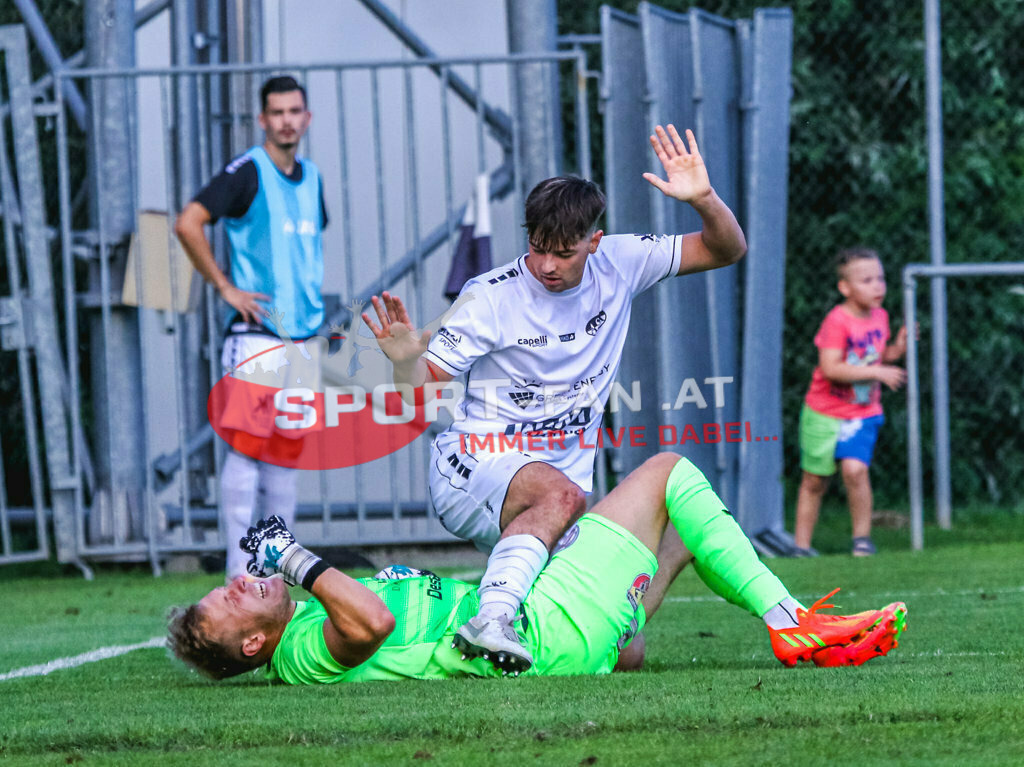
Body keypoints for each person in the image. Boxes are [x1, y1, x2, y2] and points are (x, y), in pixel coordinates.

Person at [361, 125, 747, 673]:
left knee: (624, 652)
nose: (546, 265)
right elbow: (416, 392)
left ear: (595, 241)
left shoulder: (622, 262)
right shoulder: (488, 298)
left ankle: (469, 606)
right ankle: (491, 619)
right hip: (471, 466)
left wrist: (703, 199)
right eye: (538, 248)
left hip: (558, 495)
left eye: (564, 253)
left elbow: (727, 249)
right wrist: (403, 359)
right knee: (562, 495)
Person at [166, 452, 908, 683]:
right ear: (254, 643)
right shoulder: (299, 652)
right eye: (229, 601)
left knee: (679, 537)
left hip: (555, 634)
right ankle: (791, 621)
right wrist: (293, 557)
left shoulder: (302, 626)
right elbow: (374, 622)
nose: (235, 582)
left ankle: (619, 633)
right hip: (541, 631)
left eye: (223, 585)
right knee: (669, 472)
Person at [175, 75, 329, 580]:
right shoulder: (247, 171)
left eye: (294, 111)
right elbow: (188, 222)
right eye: (277, 112)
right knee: (247, 448)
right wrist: (225, 288)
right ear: (262, 119)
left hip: (302, 337)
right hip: (256, 336)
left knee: (285, 455)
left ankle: (277, 577)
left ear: (307, 118)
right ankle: (239, 575)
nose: (287, 120)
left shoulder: (313, 178)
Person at [792, 247, 908, 557]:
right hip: (824, 412)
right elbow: (831, 368)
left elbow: (874, 356)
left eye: (880, 278)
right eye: (867, 280)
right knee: (815, 480)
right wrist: (878, 371)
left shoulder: (881, 317)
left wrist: (896, 351)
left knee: (855, 471)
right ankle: (801, 547)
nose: (877, 286)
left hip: (863, 413)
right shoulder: (837, 321)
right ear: (845, 287)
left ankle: (862, 540)